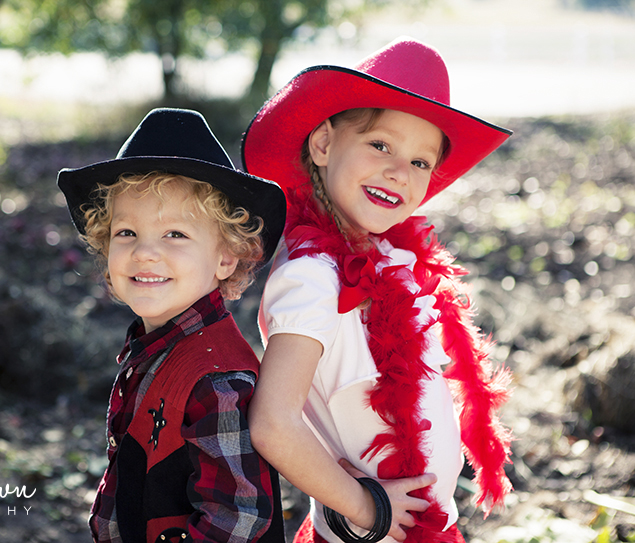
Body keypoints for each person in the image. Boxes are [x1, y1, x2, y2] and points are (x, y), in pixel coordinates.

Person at [241, 37, 514, 543]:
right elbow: (273, 423)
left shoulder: (392, 262)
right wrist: (365, 507)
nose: (398, 171)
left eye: (420, 162)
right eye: (380, 144)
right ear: (322, 145)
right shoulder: (312, 277)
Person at [57, 108, 287, 543]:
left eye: (175, 235)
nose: (145, 252)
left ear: (226, 257)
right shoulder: (154, 346)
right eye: (126, 233)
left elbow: (236, 521)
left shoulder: (217, 381)